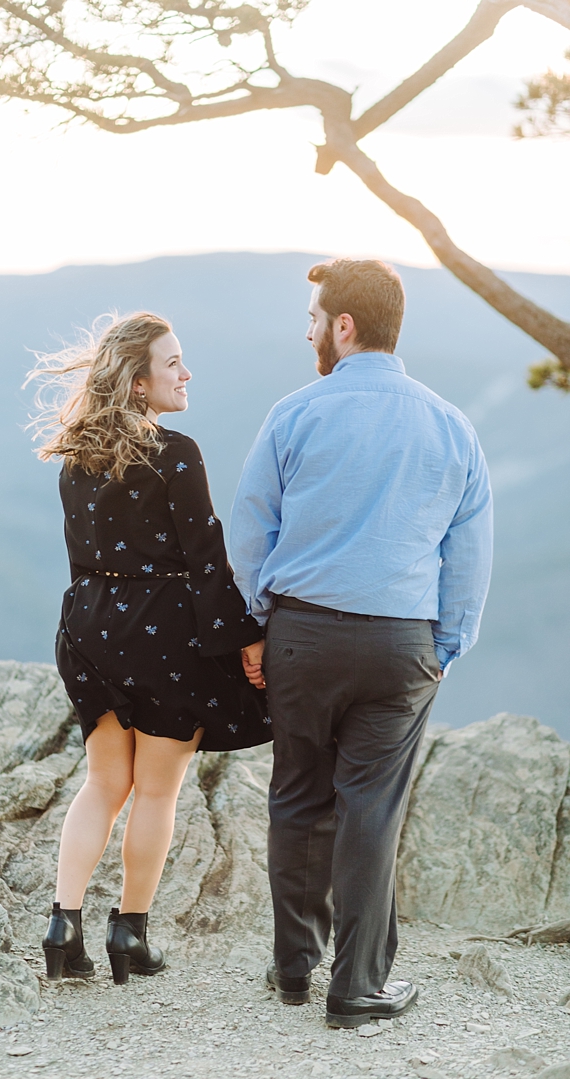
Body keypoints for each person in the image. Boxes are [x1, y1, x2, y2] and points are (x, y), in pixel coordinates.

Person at [229, 258, 492, 1029]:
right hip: (399, 642)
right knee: (370, 808)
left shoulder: (293, 413)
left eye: (314, 316)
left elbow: (251, 531)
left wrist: (260, 621)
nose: (308, 329)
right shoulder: (451, 424)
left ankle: (292, 967)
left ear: (344, 326)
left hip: (301, 635)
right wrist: (447, 644)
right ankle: (358, 986)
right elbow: (467, 554)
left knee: (298, 794)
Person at [31, 312, 267, 986]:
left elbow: (82, 559)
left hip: (87, 626)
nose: (186, 373)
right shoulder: (178, 453)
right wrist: (246, 640)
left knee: (104, 781)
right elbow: (206, 562)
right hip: (163, 630)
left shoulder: (75, 457)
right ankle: (129, 933)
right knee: (156, 792)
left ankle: (62, 925)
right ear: (138, 384)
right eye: (173, 363)